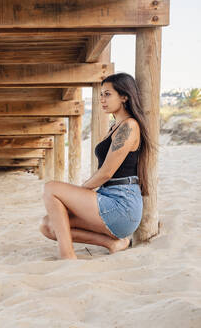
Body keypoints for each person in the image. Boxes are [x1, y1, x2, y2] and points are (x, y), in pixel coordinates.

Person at [39, 73, 157, 259]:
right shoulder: (115, 127)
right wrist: (76, 197)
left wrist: (76, 195)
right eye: (101, 94)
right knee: (48, 226)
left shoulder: (130, 126)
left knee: (51, 188)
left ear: (124, 96)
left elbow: (107, 172)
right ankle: (114, 243)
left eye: (107, 94)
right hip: (107, 198)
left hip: (122, 205)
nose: (102, 99)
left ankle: (67, 257)